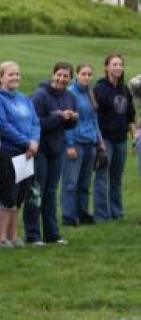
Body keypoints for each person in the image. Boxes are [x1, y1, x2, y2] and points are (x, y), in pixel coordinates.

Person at [0, 61, 40, 248]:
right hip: (6, 154)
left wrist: (34, 142)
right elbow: (2, 125)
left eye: (17, 74)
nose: (15, 77)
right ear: (1, 77)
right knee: (7, 195)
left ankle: (13, 237)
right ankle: (1, 239)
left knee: (19, 196)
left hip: (26, 154)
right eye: (10, 74)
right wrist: (27, 142)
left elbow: (35, 122)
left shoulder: (25, 99)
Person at [24, 62, 77, 246]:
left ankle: (52, 234)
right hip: (40, 149)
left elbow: (68, 126)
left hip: (58, 148)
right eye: (59, 75)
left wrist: (72, 119)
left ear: (70, 78)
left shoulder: (69, 96)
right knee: (36, 191)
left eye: (66, 76)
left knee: (52, 192)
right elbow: (35, 123)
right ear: (53, 75)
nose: (62, 79)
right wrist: (59, 117)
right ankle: (33, 235)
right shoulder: (41, 95)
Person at [93, 53, 135, 222]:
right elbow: (94, 117)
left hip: (121, 140)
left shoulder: (125, 90)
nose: (118, 67)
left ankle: (117, 212)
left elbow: (130, 115)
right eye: (114, 64)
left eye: (120, 64)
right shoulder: (99, 89)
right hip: (105, 140)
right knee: (102, 176)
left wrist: (135, 137)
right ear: (106, 67)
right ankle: (102, 215)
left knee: (116, 178)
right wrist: (99, 141)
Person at [62, 64, 101, 226]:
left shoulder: (89, 93)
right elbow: (68, 122)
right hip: (76, 143)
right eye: (83, 74)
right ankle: (69, 216)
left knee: (84, 183)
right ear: (76, 75)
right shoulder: (70, 93)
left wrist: (100, 141)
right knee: (71, 183)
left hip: (90, 143)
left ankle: (83, 213)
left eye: (89, 74)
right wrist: (69, 144)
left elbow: (94, 120)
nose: (86, 77)